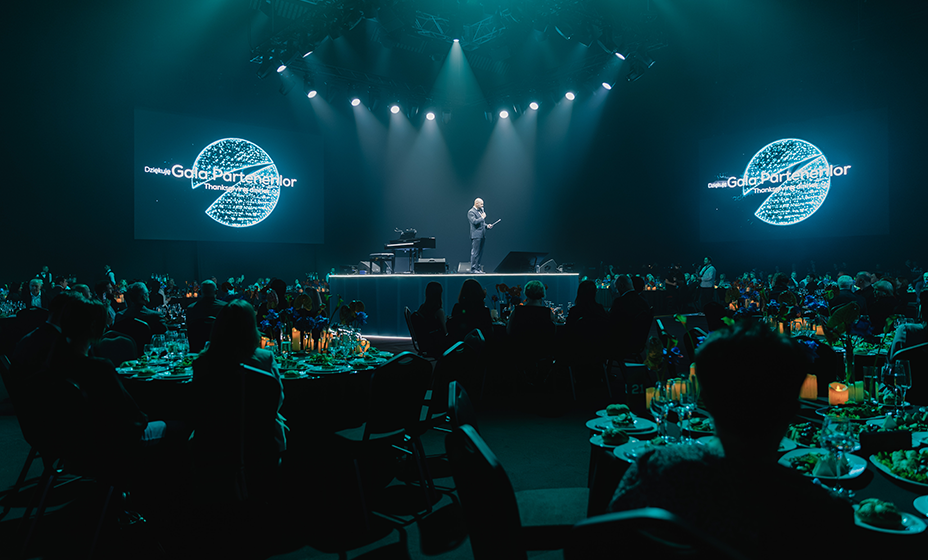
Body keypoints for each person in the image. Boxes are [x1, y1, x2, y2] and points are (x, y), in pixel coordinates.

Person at [610, 321, 854, 558]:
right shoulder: (824, 513)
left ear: (706, 401)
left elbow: (605, 540)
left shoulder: (653, 470)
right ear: (793, 410)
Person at [192, 300, 285, 499]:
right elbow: (276, 401)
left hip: (213, 442)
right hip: (260, 441)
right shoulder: (265, 358)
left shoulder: (201, 363)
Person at [609, 275, 651, 357]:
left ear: (622, 286)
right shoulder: (644, 301)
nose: (617, 291)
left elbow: (612, 323)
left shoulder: (619, 302)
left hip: (622, 342)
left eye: (616, 288)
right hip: (639, 341)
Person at [416, 281, 448, 355]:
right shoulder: (439, 311)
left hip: (426, 343)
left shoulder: (422, 308)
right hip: (437, 345)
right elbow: (445, 332)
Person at [467, 197, 494, 273]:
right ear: (476, 203)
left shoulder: (481, 211)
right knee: (475, 252)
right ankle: (473, 269)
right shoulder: (471, 212)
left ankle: (478, 268)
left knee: (480, 253)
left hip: (482, 234)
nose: (482, 206)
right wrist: (482, 217)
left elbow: (482, 223)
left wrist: (487, 226)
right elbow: (474, 222)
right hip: (476, 235)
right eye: (481, 204)